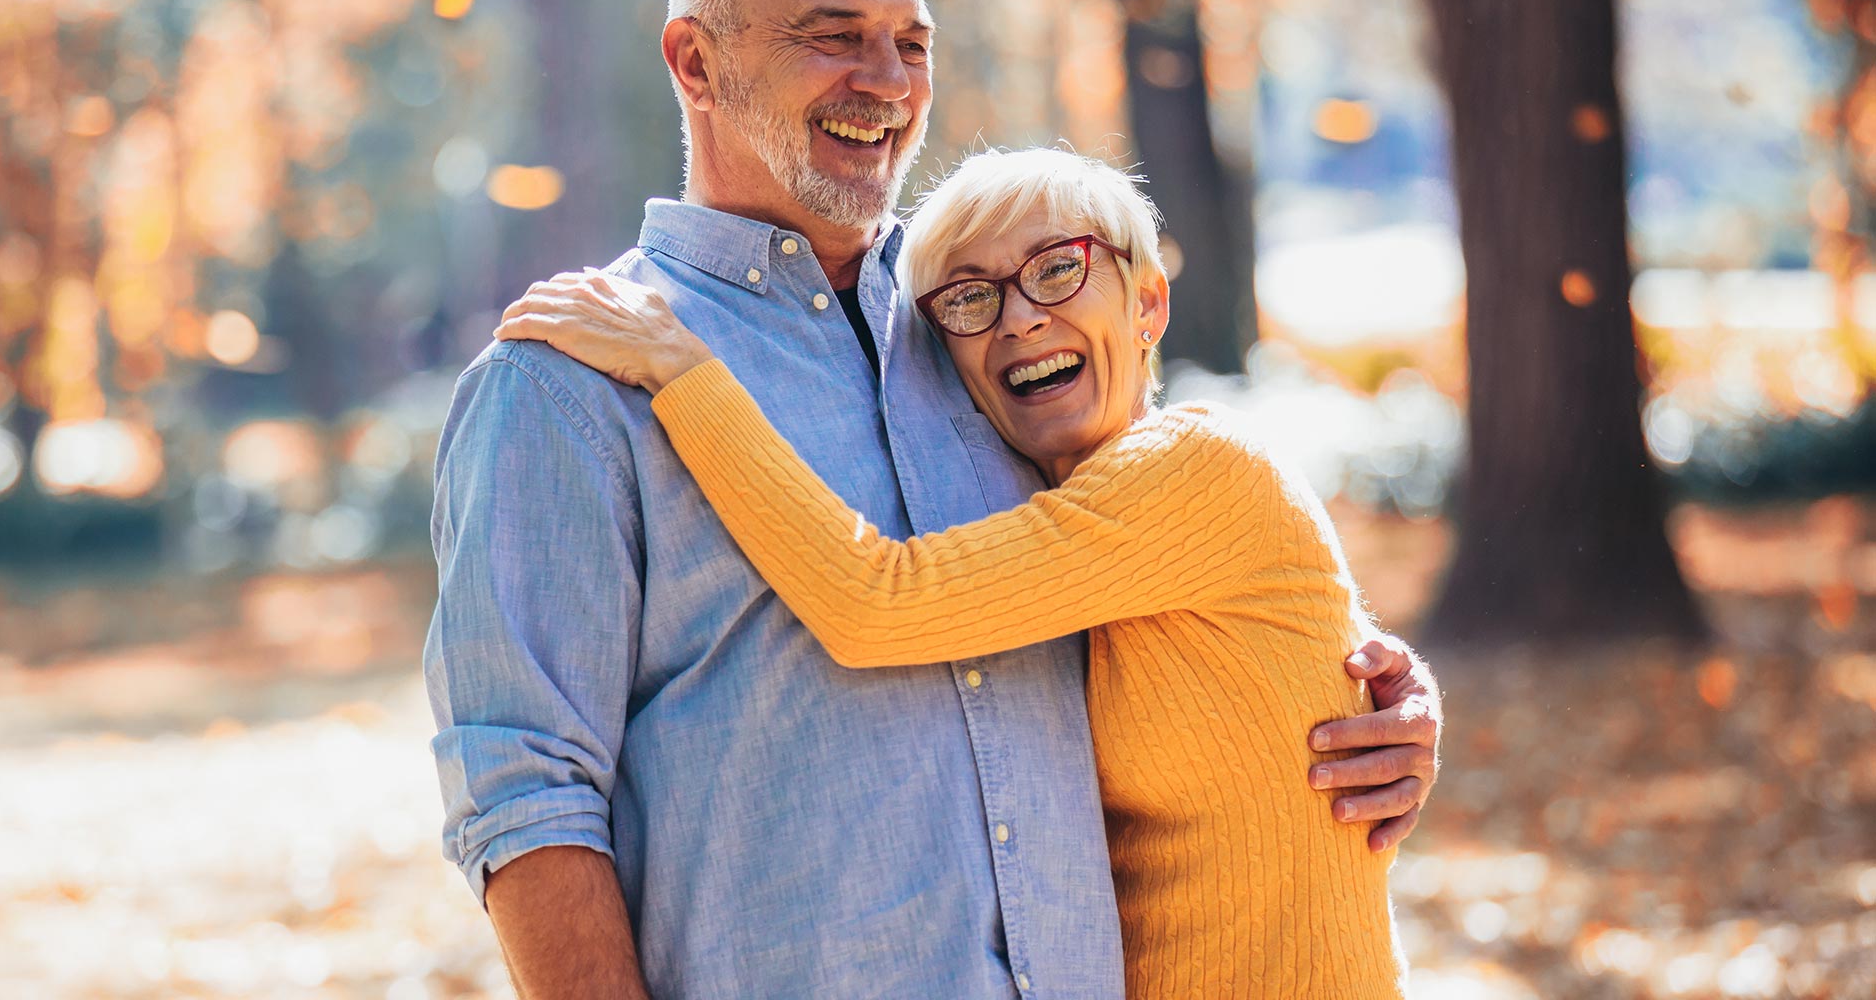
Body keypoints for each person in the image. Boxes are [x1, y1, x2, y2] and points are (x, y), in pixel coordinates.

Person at [425, 0, 1441, 1000]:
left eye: (911, 42)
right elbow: (526, 795)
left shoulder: (991, 328)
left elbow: (1187, 581)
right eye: (833, 35)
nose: (886, 81)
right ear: (695, 61)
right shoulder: (569, 379)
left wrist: (1378, 700)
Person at [499, 147, 1408, 998]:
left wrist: (683, 371)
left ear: (1148, 304)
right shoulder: (1044, 525)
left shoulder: (1202, 467)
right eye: (970, 299)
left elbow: (875, 602)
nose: (1019, 316)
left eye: (1059, 268)